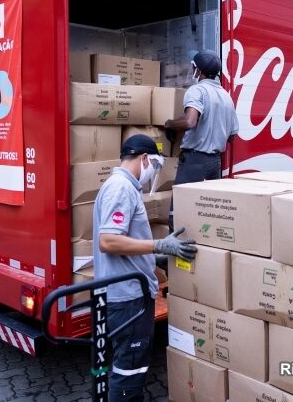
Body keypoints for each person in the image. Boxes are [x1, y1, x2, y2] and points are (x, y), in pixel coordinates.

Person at [93, 134, 197, 401]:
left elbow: (128, 239)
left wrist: (155, 258)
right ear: (143, 159)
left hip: (128, 291)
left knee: (128, 367)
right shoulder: (121, 188)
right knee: (129, 371)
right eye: (155, 166)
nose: (154, 174)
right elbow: (109, 240)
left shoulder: (122, 187)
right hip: (127, 297)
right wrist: (159, 245)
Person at [164, 49, 239, 229]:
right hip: (215, 163)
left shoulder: (197, 90)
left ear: (199, 71)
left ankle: (175, 255)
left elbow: (190, 122)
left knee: (181, 212)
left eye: (193, 68)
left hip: (194, 161)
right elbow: (233, 136)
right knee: (207, 212)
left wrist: (170, 124)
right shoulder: (226, 96)